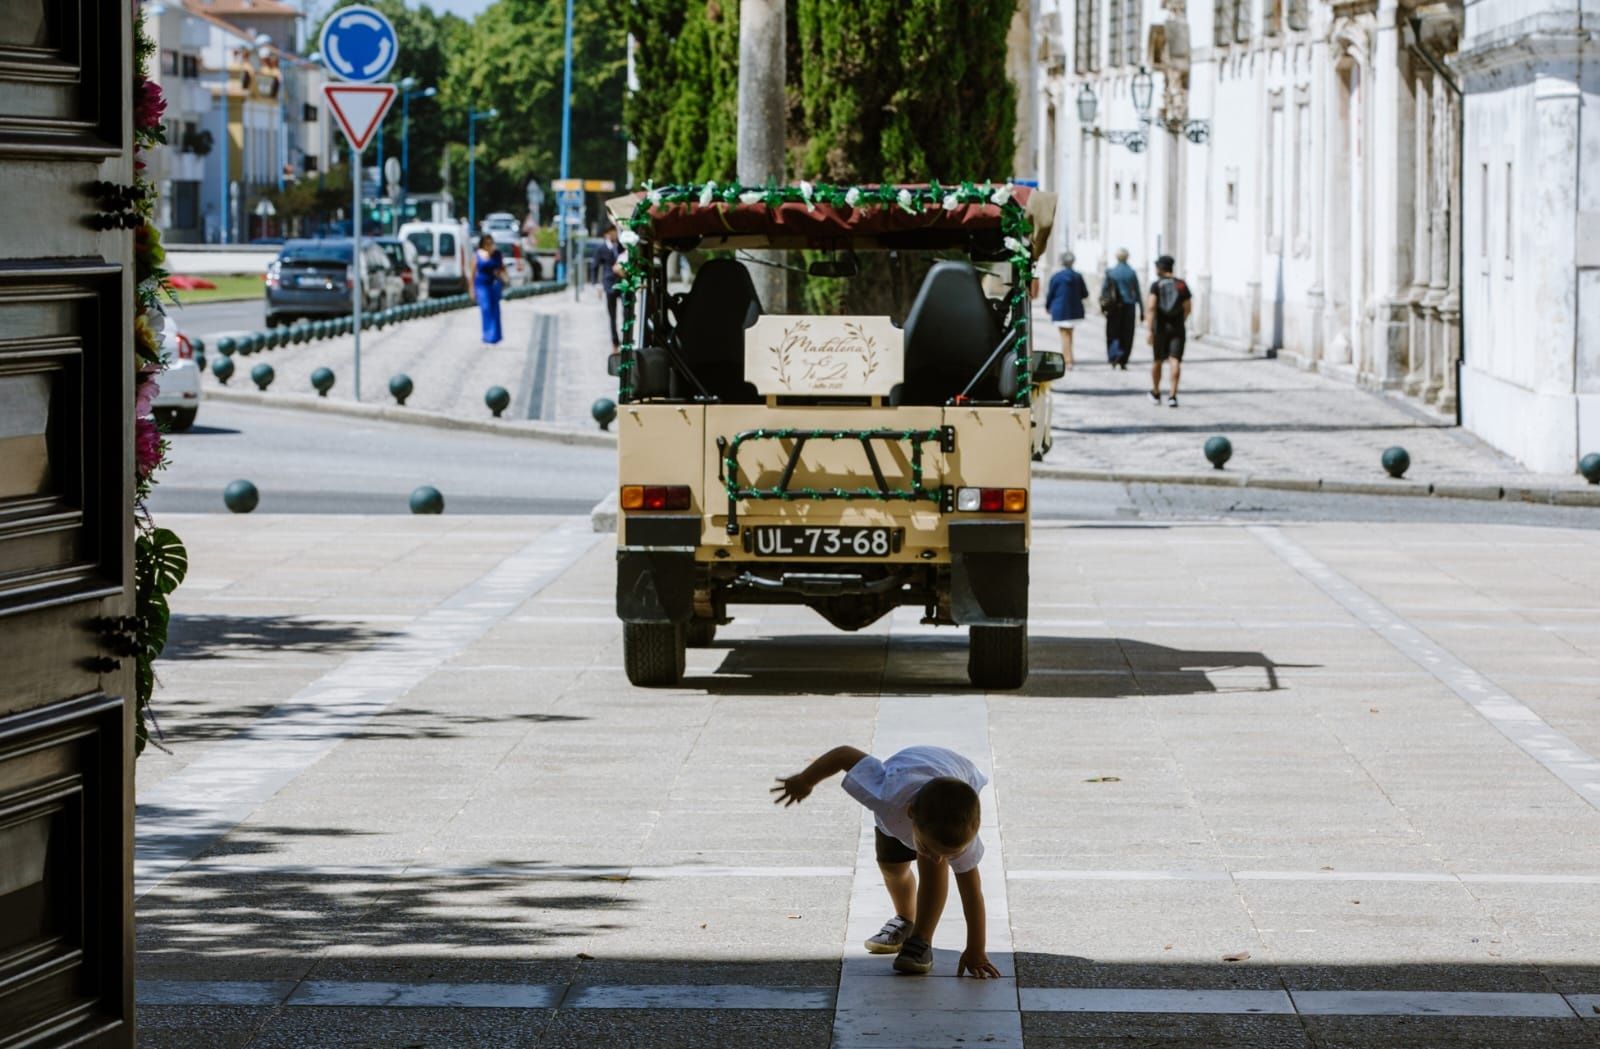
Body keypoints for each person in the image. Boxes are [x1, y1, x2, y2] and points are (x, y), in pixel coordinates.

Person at [772, 744, 1000, 979]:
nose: (939, 857)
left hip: (956, 778)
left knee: (932, 868)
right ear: (910, 813)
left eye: (948, 853)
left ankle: (921, 940)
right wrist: (805, 780)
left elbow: (972, 893)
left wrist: (976, 949)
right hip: (902, 795)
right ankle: (905, 919)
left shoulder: (959, 835)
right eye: (931, 848)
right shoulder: (885, 794)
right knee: (892, 869)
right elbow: (843, 755)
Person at [1146, 254, 1192, 407]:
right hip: (1177, 328)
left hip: (1160, 328)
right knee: (1175, 360)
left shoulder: (1156, 285)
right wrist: (1181, 320)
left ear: (1160, 268)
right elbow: (1188, 307)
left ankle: (1156, 391)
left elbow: (1151, 307)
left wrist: (1149, 329)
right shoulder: (1181, 285)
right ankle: (1172, 395)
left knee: (1157, 360)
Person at [1044, 252, 1089, 369]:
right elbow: (1085, 294)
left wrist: (1048, 306)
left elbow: (1051, 294)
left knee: (1064, 335)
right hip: (1074, 310)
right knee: (1069, 334)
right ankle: (1069, 357)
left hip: (1060, 309)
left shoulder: (1056, 277)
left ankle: (1067, 360)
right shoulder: (1078, 276)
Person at [1100, 248, 1142, 370]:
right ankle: (1123, 359)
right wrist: (1142, 310)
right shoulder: (1131, 272)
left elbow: (1104, 291)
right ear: (1127, 257)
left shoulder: (1111, 272)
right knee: (1127, 333)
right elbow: (1137, 292)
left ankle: (1114, 356)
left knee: (1113, 332)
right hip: (1129, 306)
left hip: (1114, 307)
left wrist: (1103, 307)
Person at [595, 224, 625, 350]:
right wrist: (597, 285)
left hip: (623, 283)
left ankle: (626, 339)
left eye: (614, 231)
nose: (612, 234)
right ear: (606, 234)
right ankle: (615, 342)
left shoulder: (623, 246)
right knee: (612, 316)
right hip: (609, 284)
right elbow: (595, 266)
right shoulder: (601, 248)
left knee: (626, 311)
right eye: (610, 232)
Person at [473, 233, 506, 345]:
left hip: (493, 284)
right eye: (486, 243)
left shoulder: (496, 254)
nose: (489, 245)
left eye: (490, 243)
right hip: (481, 284)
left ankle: (495, 336)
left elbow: (501, 268)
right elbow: (473, 271)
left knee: (495, 309)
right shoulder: (478, 254)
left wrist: (504, 279)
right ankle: (487, 335)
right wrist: (471, 288)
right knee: (485, 308)